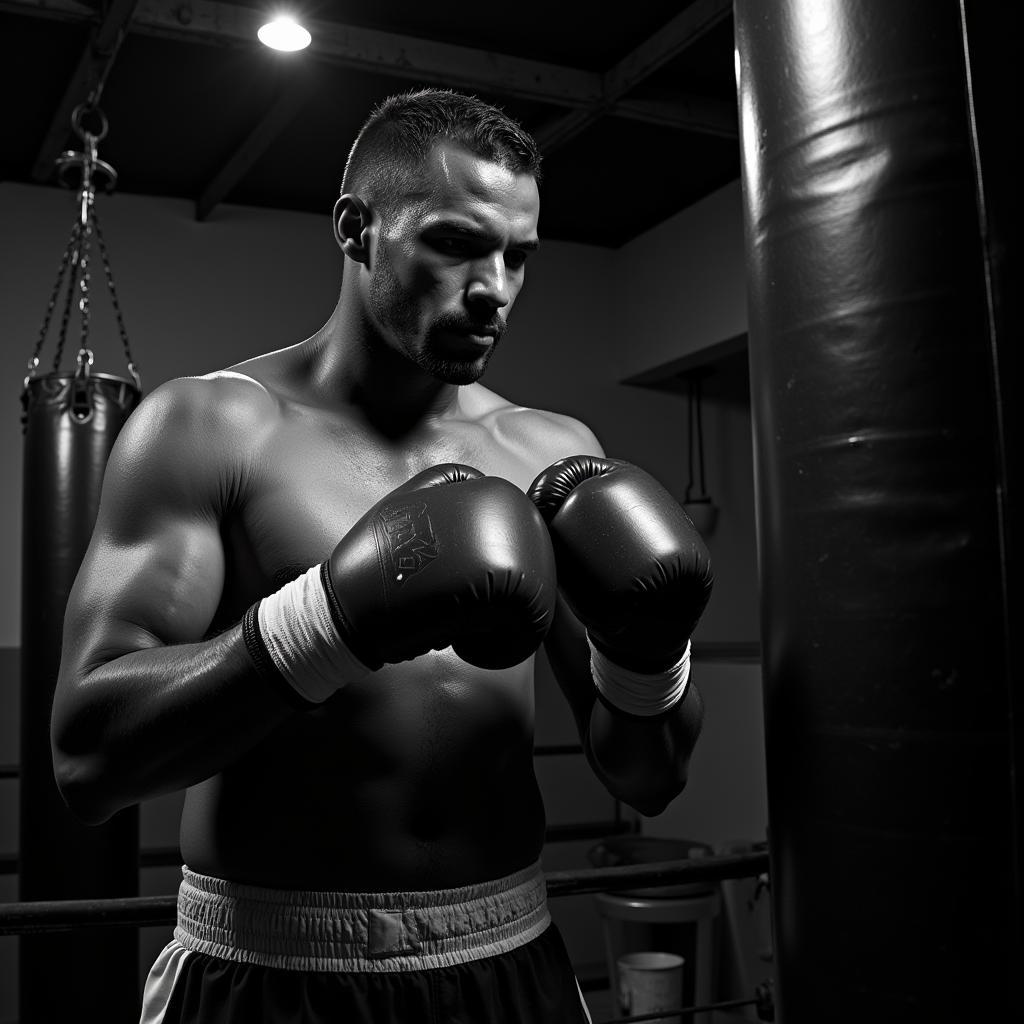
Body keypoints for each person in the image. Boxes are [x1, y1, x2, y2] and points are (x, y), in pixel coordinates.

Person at [50, 88, 713, 1023]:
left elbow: (649, 778)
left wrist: (652, 657)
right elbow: (86, 759)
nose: (496, 289)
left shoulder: (550, 454)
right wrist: (330, 619)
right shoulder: (210, 428)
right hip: (276, 970)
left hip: (507, 956)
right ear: (357, 229)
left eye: (518, 257)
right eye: (455, 243)